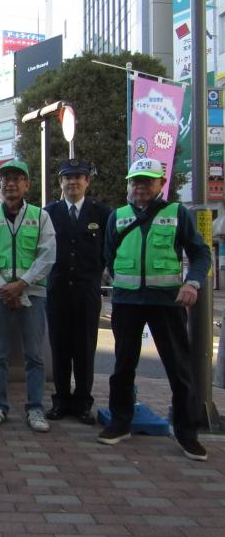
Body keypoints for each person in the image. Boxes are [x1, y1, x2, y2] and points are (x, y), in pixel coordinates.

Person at [99, 158, 210, 461]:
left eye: (147, 180)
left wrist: (193, 284)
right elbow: (109, 256)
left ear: (161, 183)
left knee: (179, 369)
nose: (140, 186)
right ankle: (120, 423)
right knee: (122, 366)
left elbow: (200, 253)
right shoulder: (117, 216)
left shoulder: (178, 214)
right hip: (126, 302)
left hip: (167, 303)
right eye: (135, 180)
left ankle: (188, 435)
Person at [0, 158, 56, 433]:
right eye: (5, 179)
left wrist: (21, 284)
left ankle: (35, 409)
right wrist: (3, 286)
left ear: (27, 184)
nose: (10, 183)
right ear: (0, 185)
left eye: (16, 178)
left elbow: (47, 256)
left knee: (34, 354)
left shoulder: (40, 216)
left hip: (32, 294)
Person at [44, 159, 111, 425]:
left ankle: (83, 402)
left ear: (87, 181)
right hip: (58, 291)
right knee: (59, 349)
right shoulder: (49, 212)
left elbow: (109, 249)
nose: (73, 182)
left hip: (87, 292)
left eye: (79, 177)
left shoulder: (102, 212)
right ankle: (60, 401)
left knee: (84, 349)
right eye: (67, 178)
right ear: (60, 183)